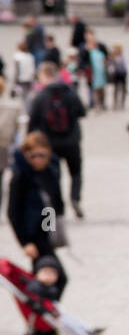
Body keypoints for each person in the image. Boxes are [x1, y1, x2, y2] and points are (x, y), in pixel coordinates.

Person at [26, 61, 86, 218]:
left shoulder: (40, 97)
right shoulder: (70, 92)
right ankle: (75, 198)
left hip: (49, 143)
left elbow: (32, 123)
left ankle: (58, 205)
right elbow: (82, 111)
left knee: (54, 175)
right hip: (72, 140)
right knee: (76, 172)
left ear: (44, 76)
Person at [6, 132, 63, 260]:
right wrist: (25, 242)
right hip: (32, 233)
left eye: (42, 155)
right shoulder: (20, 177)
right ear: (26, 154)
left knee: (49, 271)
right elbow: (13, 212)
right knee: (54, 273)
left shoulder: (51, 171)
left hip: (47, 230)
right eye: (33, 156)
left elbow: (56, 200)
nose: (38, 159)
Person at [11, 40, 35, 105]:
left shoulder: (17, 57)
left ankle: (26, 112)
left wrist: (14, 82)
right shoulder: (30, 56)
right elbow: (32, 69)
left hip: (21, 80)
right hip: (29, 79)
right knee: (27, 96)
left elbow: (17, 71)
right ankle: (27, 111)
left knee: (23, 97)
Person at [108, 44, 128, 111]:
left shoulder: (123, 57)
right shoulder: (112, 57)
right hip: (116, 74)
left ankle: (122, 103)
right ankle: (115, 103)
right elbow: (110, 65)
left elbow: (126, 65)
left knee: (123, 89)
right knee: (116, 90)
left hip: (122, 74)